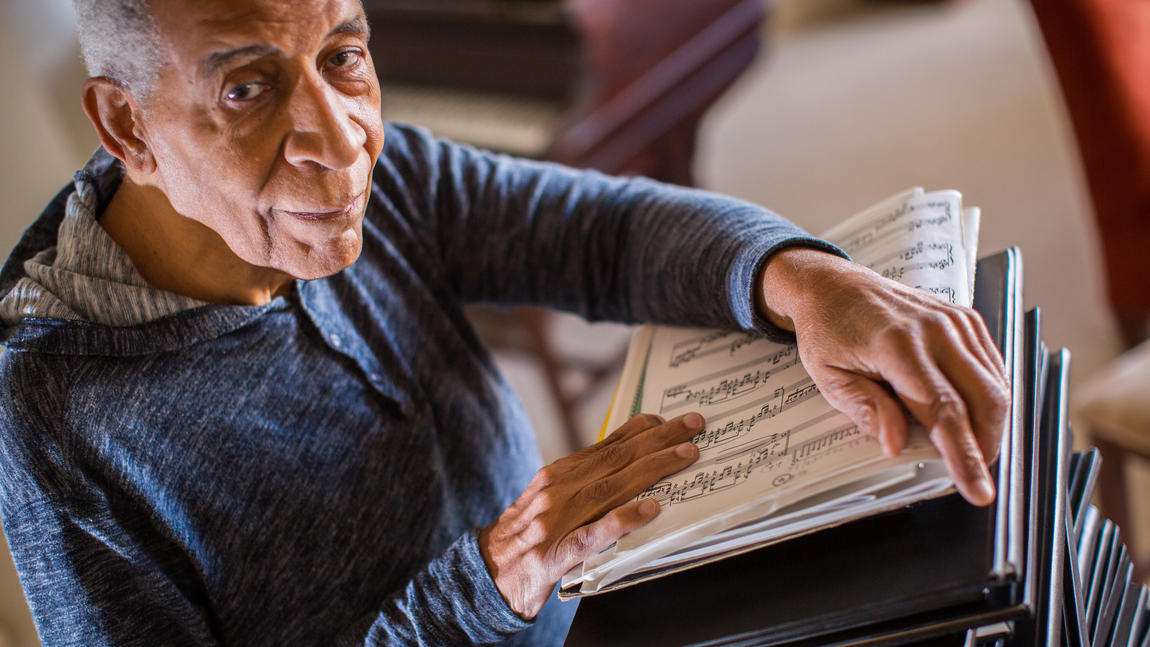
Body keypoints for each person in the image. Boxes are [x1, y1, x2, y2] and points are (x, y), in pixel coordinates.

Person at [0, 0, 1009, 645]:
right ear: (128, 126)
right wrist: (487, 583)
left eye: (344, 55)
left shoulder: (377, 180)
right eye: (248, 88)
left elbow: (599, 234)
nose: (343, 140)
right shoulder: (53, 417)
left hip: (586, 614)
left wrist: (801, 279)